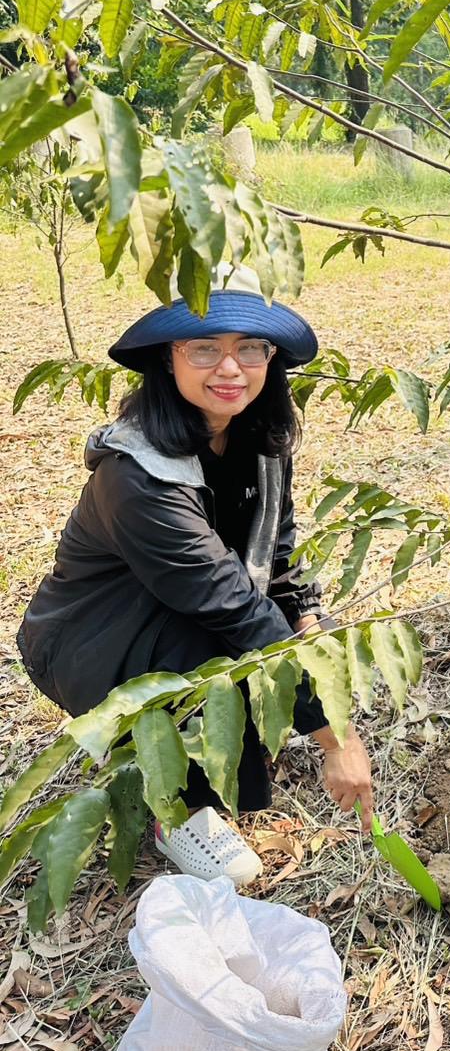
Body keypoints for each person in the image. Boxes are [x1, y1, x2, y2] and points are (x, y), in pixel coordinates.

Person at [17, 271, 374, 885]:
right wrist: (336, 738)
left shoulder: (258, 438)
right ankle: (176, 808)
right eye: (205, 348)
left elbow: (277, 552)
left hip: (180, 609)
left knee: (281, 646)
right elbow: (229, 605)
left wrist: (311, 627)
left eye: (250, 347)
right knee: (220, 647)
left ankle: (221, 744)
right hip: (93, 638)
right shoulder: (137, 477)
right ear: (168, 358)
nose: (230, 368)